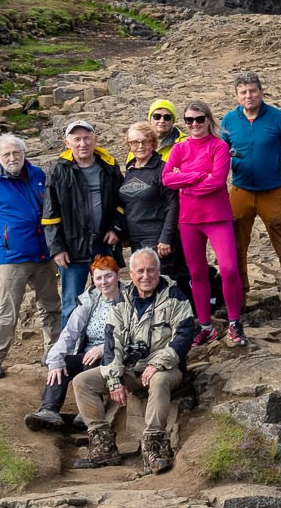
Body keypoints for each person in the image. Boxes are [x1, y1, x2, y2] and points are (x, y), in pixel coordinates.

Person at [71, 248, 194, 474]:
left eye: (151, 270)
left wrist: (157, 364)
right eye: (140, 271)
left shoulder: (176, 296)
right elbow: (112, 342)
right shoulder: (121, 300)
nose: (146, 276)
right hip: (130, 368)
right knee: (82, 382)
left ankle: (154, 447)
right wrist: (114, 379)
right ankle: (104, 447)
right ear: (132, 274)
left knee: (159, 381)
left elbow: (184, 336)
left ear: (159, 271)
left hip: (166, 368)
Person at [221, 71, 281, 323]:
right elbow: (218, 154)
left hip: (273, 194)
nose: (248, 96)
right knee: (235, 249)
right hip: (240, 192)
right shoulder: (229, 120)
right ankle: (237, 301)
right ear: (236, 96)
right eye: (243, 92)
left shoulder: (278, 118)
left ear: (261, 92)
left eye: (253, 91)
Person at [0, 132, 61, 380]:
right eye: (7, 154)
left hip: (43, 255)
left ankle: (53, 352)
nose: (12, 158)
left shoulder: (37, 175)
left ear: (24, 153)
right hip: (12, 258)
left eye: (16, 153)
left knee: (51, 306)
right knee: (6, 310)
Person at [161, 100, 247, 347]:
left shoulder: (219, 146)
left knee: (229, 268)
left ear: (209, 120)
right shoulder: (180, 148)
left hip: (217, 217)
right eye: (189, 120)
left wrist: (187, 185)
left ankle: (234, 322)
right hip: (189, 220)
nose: (195, 124)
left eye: (199, 119)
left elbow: (217, 181)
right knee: (197, 274)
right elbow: (167, 178)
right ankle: (206, 326)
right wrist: (199, 176)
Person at [41, 118, 122, 322]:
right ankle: (69, 343)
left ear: (95, 139)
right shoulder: (59, 169)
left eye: (87, 138)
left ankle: (107, 338)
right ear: (67, 143)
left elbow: (121, 201)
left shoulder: (109, 166)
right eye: (77, 139)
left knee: (108, 298)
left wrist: (116, 228)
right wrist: (57, 248)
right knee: (71, 303)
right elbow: (50, 212)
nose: (82, 143)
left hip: (102, 244)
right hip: (71, 249)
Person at [30, 255, 122, 432]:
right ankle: (49, 410)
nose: (104, 282)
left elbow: (131, 334)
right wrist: (55, 360)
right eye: (98, 278)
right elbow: (69, 332)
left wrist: (103, 349)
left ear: (117, 275)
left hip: (115, 355)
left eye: (108, 276)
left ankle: (88, 410)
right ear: (93, 280)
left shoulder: (130, 299)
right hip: (87, 353)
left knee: (92, 359)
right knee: (63, 363)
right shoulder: (90, 300)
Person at [118, 120, 185, 300]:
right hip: (136, 239)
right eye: (134, 142)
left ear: (153, 142)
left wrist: (166, 238)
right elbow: (128, 204)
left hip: (157, 238)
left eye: (145, 141)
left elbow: (173, 205)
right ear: (129, 145)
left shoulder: (162, 169)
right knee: (142, 284)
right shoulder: (130, 170)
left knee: (160, 284)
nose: (140, 146)